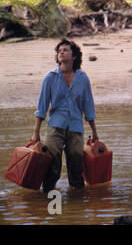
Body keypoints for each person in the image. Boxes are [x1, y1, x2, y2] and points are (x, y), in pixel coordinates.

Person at [31, 38, 99, 193]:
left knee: (76, 163)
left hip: (76, 127)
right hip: (55, 126)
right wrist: (36, 133)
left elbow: (88, 106)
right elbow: (41, 107)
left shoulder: (83, 78)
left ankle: (77, 200)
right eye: (59, 51)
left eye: (65, 50)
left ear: (74, 56)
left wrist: (94, 131)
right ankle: (48, 193)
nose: (61, 52)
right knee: (52, 163)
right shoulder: (50, 77)